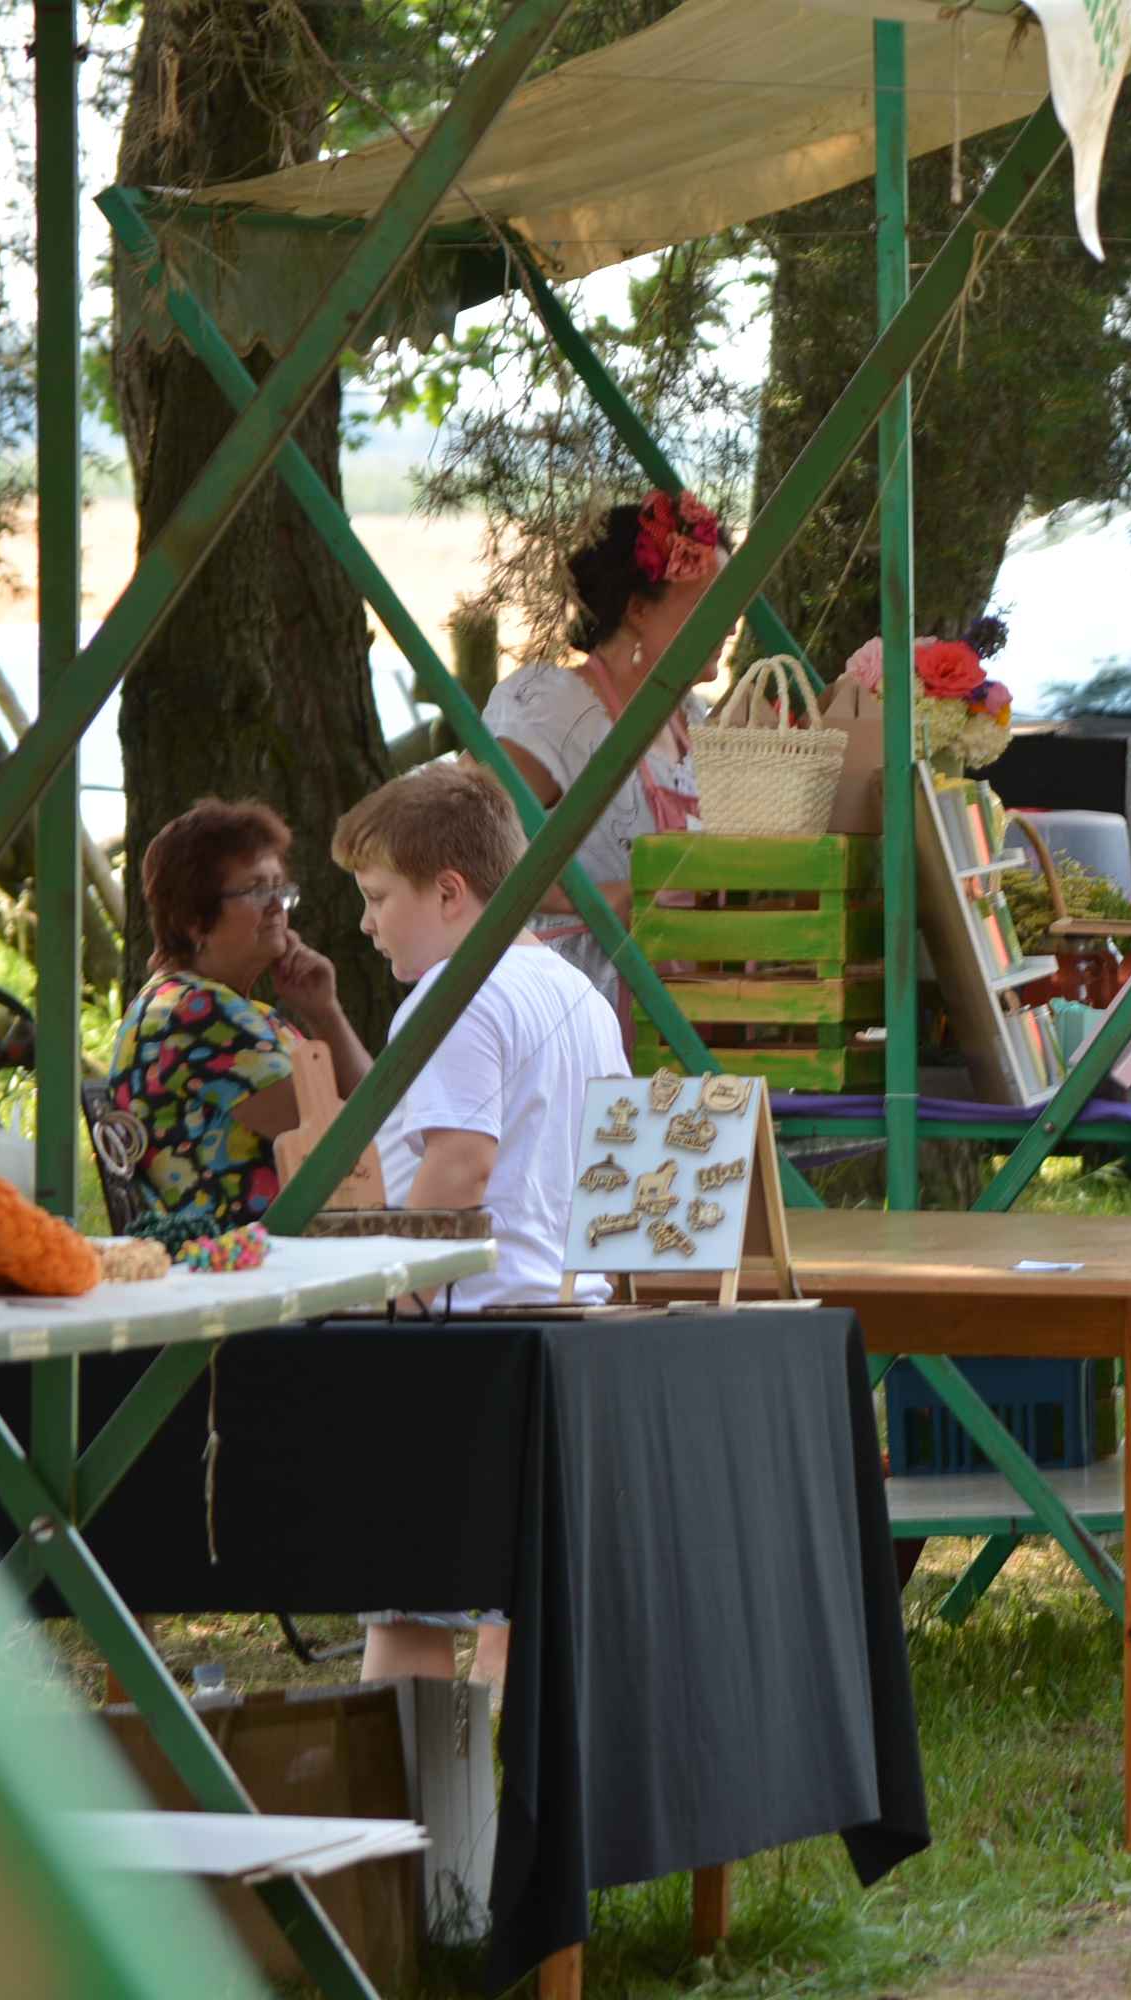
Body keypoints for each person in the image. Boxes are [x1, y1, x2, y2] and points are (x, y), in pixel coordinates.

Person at [331, 759, 632, 1686]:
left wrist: (392, 1295)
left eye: (379, 897)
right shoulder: (575, 990)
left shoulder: (456, 994)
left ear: (451, 892)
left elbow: (462, 1161)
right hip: (564, 1317)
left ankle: (405, 1813)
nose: (368, 922)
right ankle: (502, 1800)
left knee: (410, 1607)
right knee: (512, 1602)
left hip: (462, 1327)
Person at [484, 489, 729, 1033]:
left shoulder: (694, 721)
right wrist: (603, 900)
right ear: (638, 609)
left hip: (680, 1020)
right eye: (711, 603)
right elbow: (466, 841)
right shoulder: (559, 709)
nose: (732, 622)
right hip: (574, 1014)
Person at [109, 799, 373, 1233]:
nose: (277, 908)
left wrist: (325, 1013)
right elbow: (346, 1143)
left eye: (280, 889)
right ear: (195, 919)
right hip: (238, 1269)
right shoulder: (194, 1012)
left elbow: (373, 1112)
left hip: (274, 1259)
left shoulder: (237, 1010)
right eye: (256, 891)